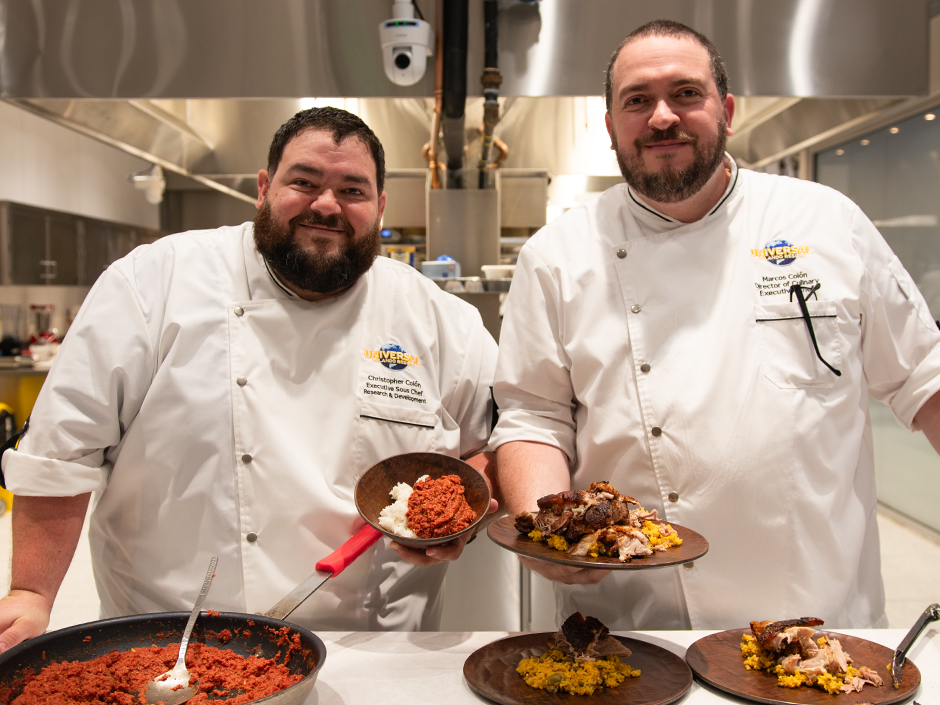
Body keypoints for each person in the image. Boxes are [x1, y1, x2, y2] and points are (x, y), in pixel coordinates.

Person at [490, 19, 940, 631]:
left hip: (815, 614)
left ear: (726, 108)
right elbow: (533, 416)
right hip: (632, 625)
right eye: (637, 100)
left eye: (685, 93)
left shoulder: (826, 222)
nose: (661, 117)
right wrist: (545, 534)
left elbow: (925, 380)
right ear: (610, 126)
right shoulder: (556, 255)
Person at [0, 107, 498, 652]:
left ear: (379, 207)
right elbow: (61, 454)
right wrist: (30, 593)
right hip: (169, 644)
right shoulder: (152, 283)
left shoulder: (439, 319)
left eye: (352, 190)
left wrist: (461, 510)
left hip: (373, 650)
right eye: (304, 182)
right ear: (264, 188)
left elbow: (500, 443)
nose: (326, 205)